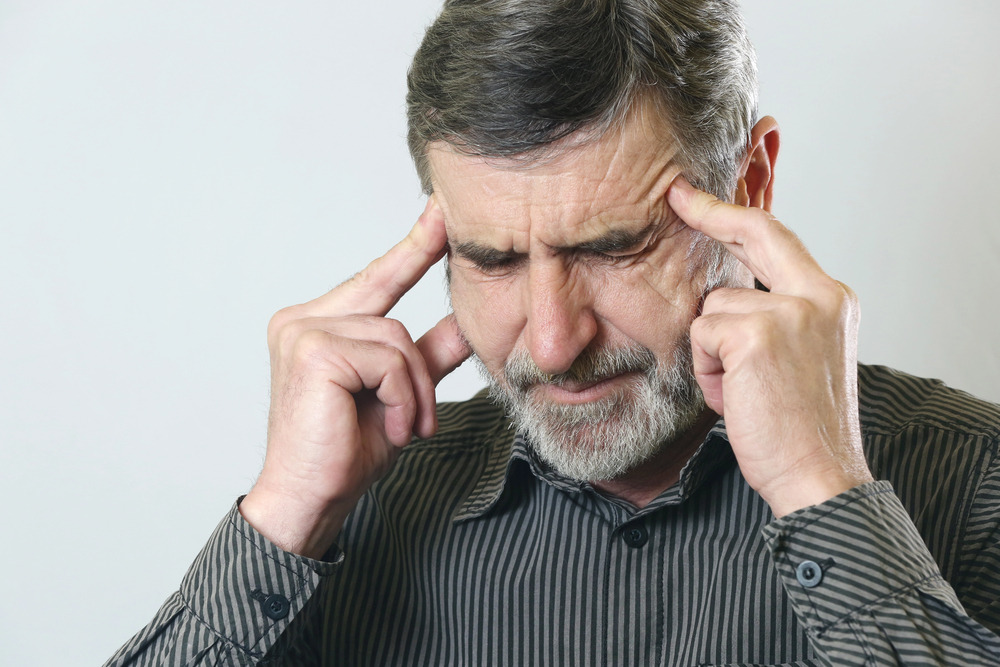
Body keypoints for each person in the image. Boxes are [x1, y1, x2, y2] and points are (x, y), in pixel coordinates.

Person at [106, 1, 1000, 665]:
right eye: (491, 259)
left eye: (613, 247)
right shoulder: (351, 507)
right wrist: (282, 517)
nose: (552, 340)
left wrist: (825, 493)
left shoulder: (972, 475)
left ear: (751, 187)